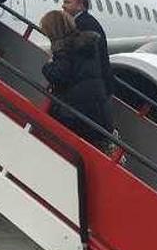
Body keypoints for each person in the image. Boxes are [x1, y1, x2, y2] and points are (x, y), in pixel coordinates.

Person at [39, 10, 111, 149]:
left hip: (76, 115)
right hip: (94, 112)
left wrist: (47, 66)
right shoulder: (84, 44)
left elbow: (61, 75)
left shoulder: (65, 48)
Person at [63, 0, 113, 93]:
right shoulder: (85, 21)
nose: (63, 6)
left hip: (88, 85)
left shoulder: (84, 25)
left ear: (80, 6)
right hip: (94, 84)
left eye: (67, 3)